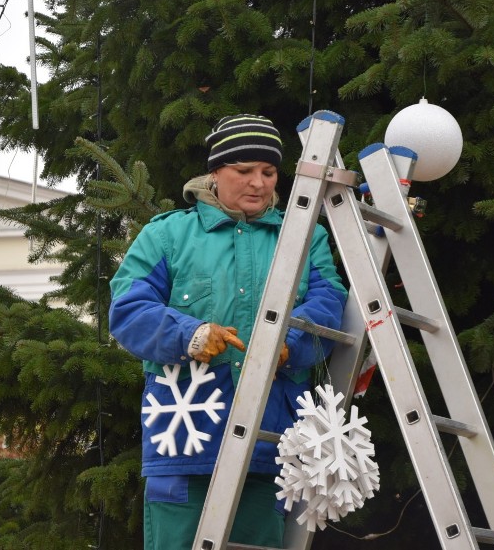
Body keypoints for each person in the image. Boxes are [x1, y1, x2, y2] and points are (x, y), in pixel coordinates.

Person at [109, 114, 348, 549]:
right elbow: (128, 309)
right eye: (244, 171)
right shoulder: (167, 236)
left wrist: (288, 345)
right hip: (183, 441)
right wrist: (190, 335)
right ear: (215, 172)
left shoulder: (304, 238)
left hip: (269, 441)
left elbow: (330, 305)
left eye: (269, 172)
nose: (258, 183)